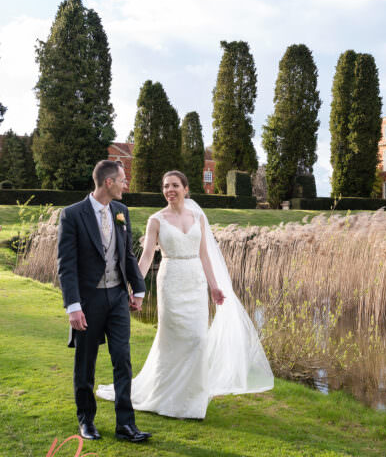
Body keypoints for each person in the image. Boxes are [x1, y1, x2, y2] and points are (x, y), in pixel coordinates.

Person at [97, 170, 273, 419]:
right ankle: (166, 396)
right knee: (172, 341)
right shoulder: (156, 220)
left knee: (198, 340)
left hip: (195, 282)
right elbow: (147, 256)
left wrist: (214, 286)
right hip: (171, 281)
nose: (170, 190)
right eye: (166, 186)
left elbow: (204, 255)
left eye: (175, 185)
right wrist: (136, 286)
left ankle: (192, 400)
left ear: (186, 189)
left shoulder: (198, 217)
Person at [57, 160, 152, 443]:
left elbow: (128, 255)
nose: (126, 184)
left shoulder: (121, 211)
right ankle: (86, 421)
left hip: (118, 298)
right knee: (85, 363)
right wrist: (73, 306)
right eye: (123, 180)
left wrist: (138, 288)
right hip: (89, 300)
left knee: (122, 359)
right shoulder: (72, 215)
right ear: (109, 182)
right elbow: (66, 265)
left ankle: (125, 424)